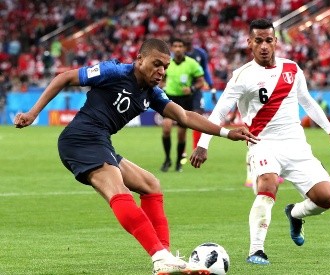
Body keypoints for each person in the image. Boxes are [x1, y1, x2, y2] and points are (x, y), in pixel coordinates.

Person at [14, 38, 257, 275]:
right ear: (139, 59)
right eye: (157, 64)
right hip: (80, 139)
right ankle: (160, 257)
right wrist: (34, 113)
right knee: (119, 191)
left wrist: (227, 132)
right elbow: (65, 77)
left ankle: (164, 256)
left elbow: (184, 116)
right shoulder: (114, 71)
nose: (161, 71)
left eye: (165, 67)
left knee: (151, 185)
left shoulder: (152, 93)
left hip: (99, 141)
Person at [190, 18, 330, 265]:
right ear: (249, 43)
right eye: (258, 41)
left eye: (268, 40)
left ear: (275, 41)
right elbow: (219, 113)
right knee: (268, 184)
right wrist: (203, 144)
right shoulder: (242, 76)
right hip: (262, 142)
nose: (264, 46)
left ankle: (294, 214)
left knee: (326, 198)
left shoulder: (292, 69)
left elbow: (307, 101)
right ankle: (257, 250)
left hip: (296, 144)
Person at [160, 37, 205, 172]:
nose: (178, 49)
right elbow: (162, 79)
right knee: (166, 128)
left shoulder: (192, 64)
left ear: (184, 48)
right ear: (172, 48)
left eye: (181, 46)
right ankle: (167, 159)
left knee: (181, 134)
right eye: (176, 46)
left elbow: (201, 81)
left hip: (185, 100)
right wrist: (162, 86)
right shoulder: (167, 63)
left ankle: (178, 162)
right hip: (170, 99)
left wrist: (191, 89)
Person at [181, 28, 216, 153]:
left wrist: (212, 88)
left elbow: (205, 71)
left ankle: (196, 148)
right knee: (182, 121)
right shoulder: (179, 54)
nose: (187, 37)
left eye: (189, 34)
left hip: (196, 91)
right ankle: (182, 151)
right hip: (182, 92)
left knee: (197, 118)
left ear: (193, 36)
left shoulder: (200, 53)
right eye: (185, 34)